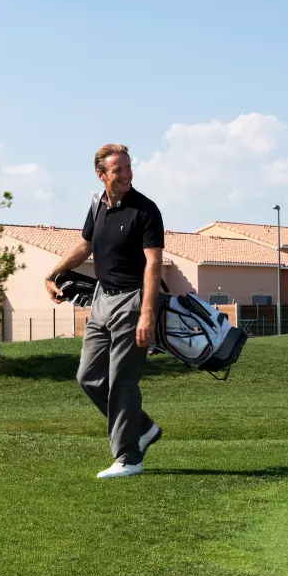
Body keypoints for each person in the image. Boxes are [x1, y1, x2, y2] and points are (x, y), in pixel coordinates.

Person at [45, 144, 164, 479]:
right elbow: (84, 246)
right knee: (88, 377)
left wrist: (147, 314)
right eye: (118, 170)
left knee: (123, 380)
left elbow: (153, 263)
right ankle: (142, 428)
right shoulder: (97, 206)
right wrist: (53, 274)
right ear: (102, 175)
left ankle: (129, 457)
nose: (126, 174)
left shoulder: (146, 210)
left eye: (128, 168)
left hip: (132, 301)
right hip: (101, 300)